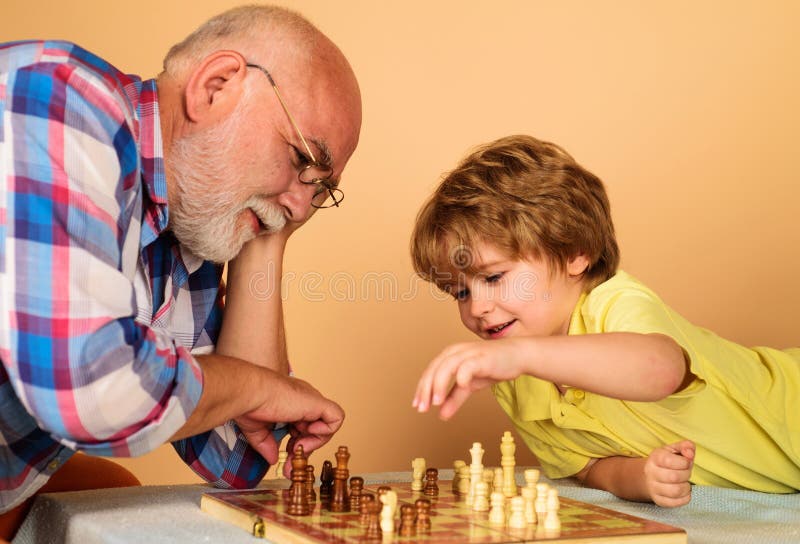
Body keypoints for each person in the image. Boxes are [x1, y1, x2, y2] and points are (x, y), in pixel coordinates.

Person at [0, 4, 361, 538]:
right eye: (303, 159)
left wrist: (270, 227)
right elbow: (90, 390)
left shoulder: (180, 232)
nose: (305, 207)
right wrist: (256, 388)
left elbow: (239, 458)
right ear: (216, 85)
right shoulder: (56, 97)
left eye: (321, 189)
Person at [410, 135, 800, 507]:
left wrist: (520, 355)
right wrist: (642, 477)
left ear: (574, 253)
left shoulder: (612, 303)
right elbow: (590, 467)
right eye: (460, 292)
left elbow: (661, 369)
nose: (476, 307)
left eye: (494, 278)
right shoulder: (515, 384)